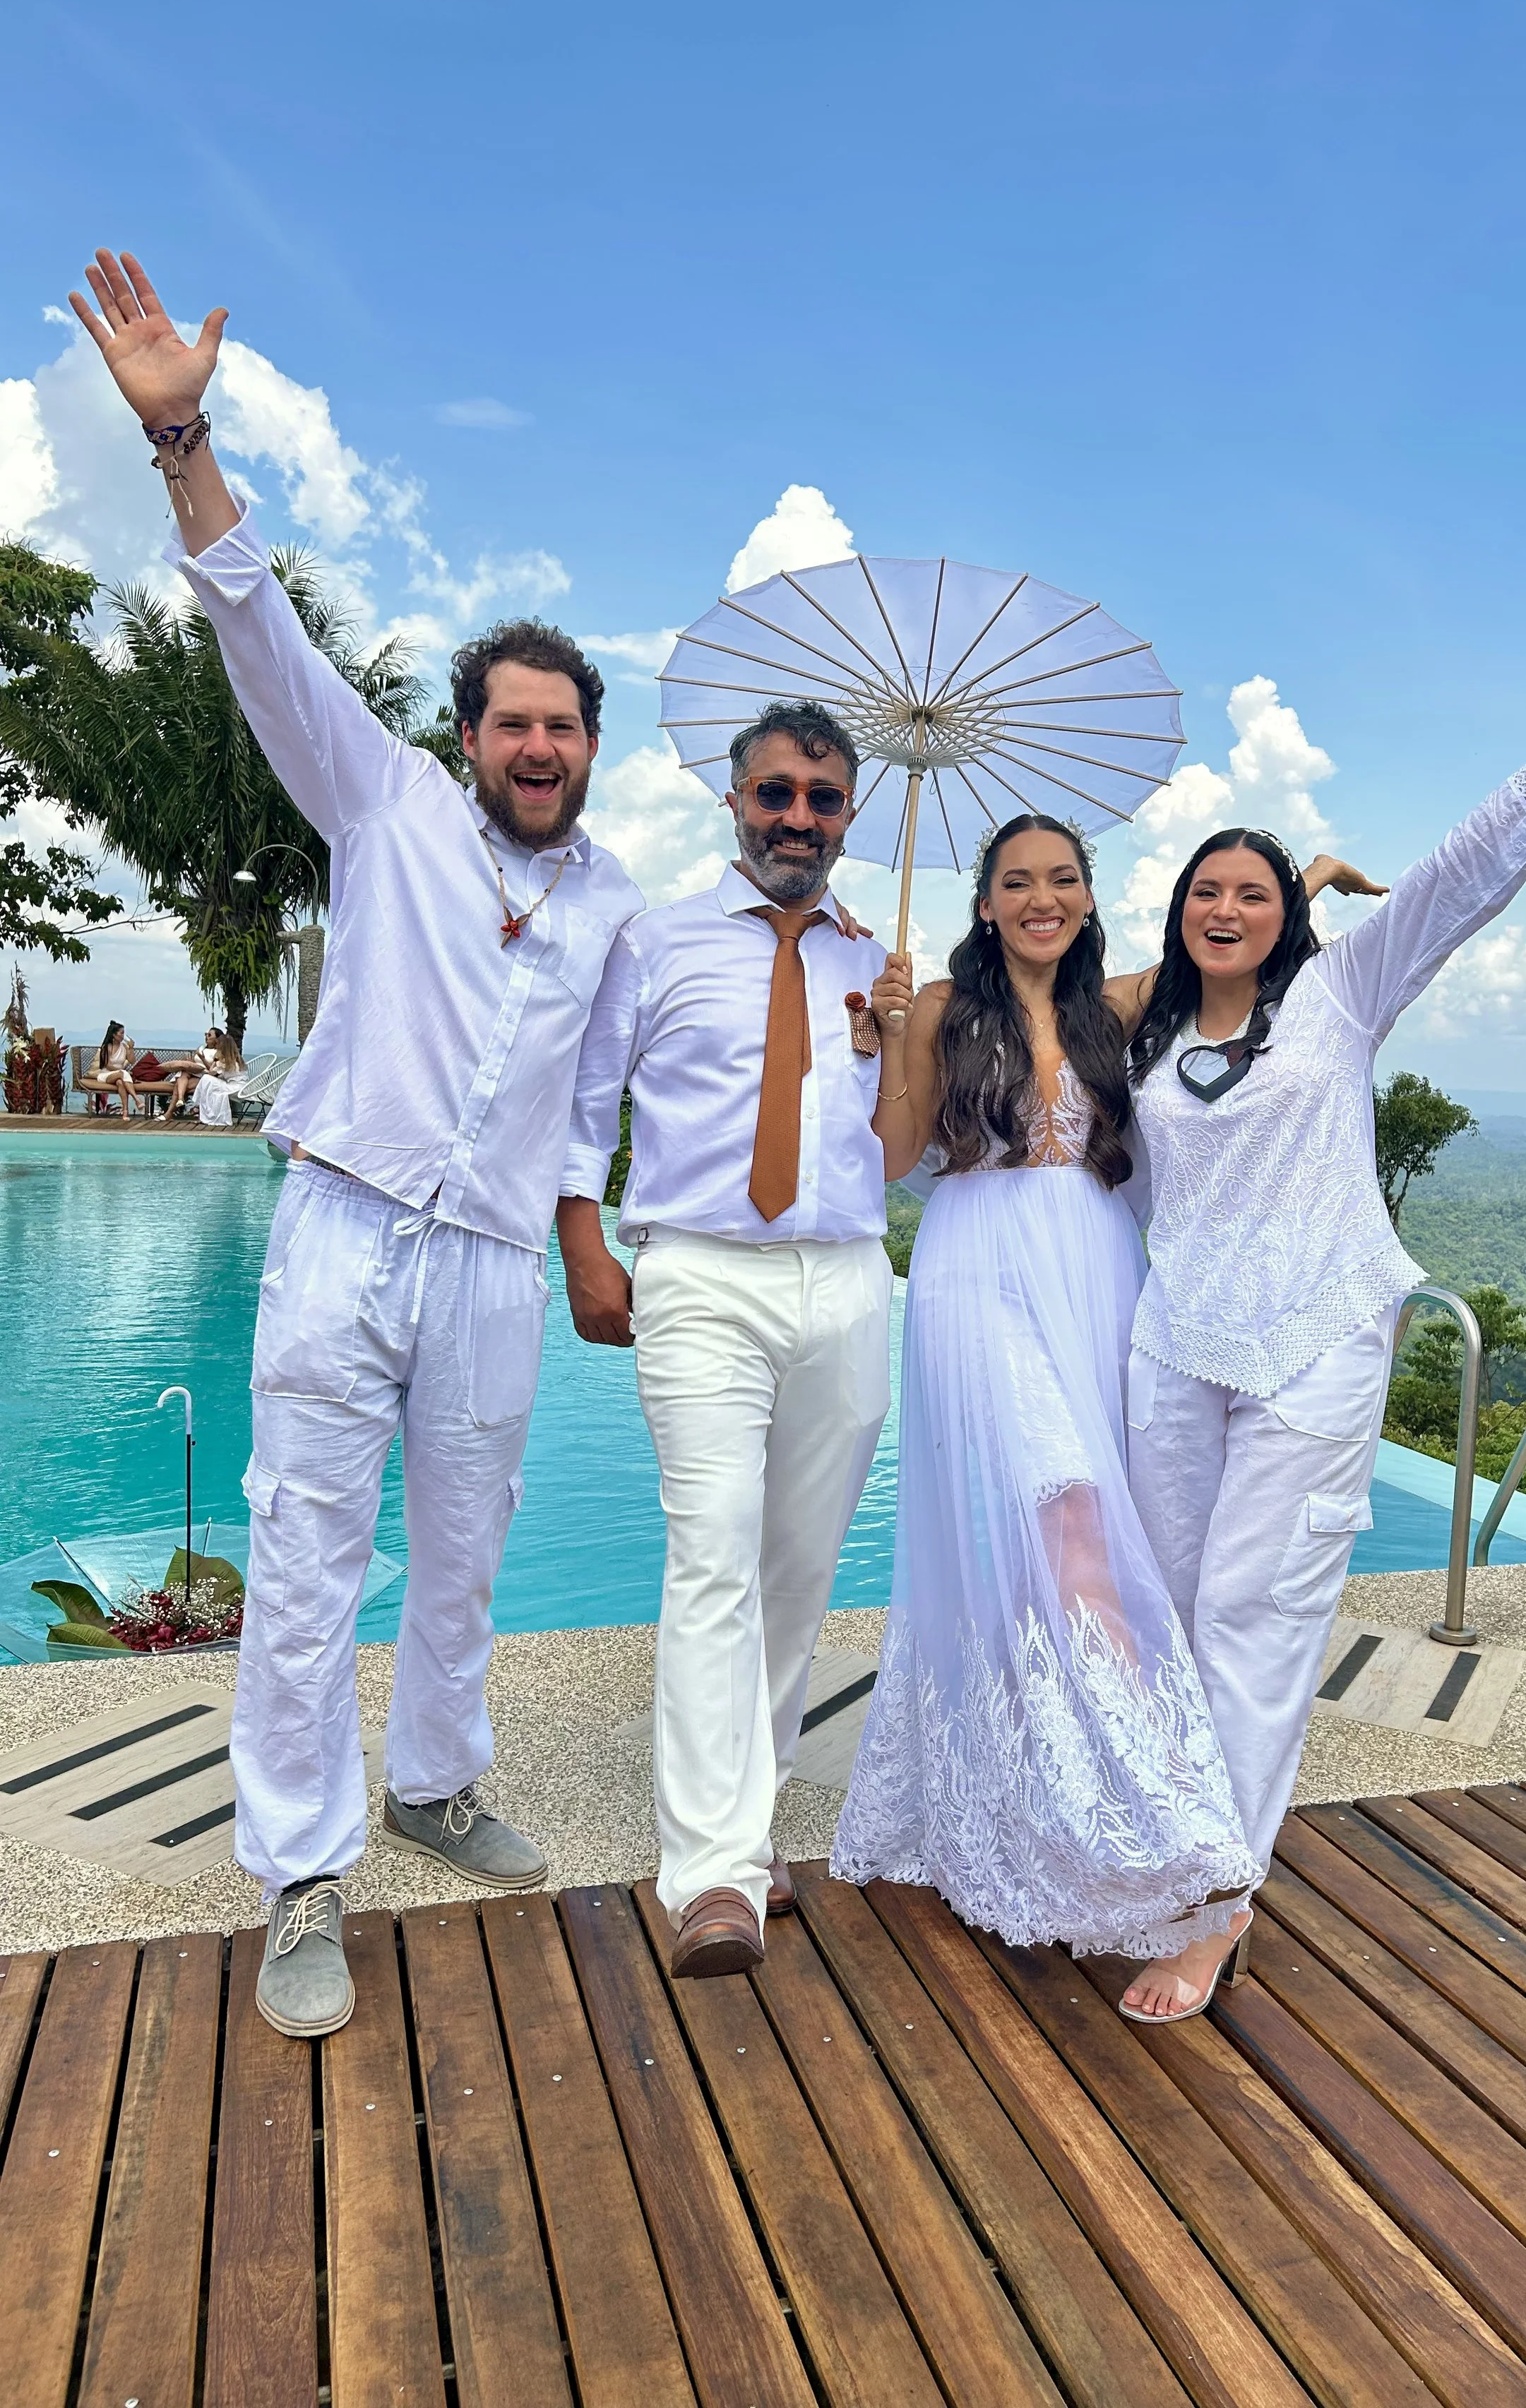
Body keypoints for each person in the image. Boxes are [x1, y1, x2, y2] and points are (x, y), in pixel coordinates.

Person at [71, 246, 648, 2040]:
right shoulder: (379, 799)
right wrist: (186, 445)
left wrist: (590, 1238)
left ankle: (434, 1783)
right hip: (342, 1225)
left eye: (564, 728)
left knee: (465, 1548)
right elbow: (258, 627)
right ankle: (301, 1870)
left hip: (488, 1260)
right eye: (514, 723)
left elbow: (603, 1101)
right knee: (308, 1548)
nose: (538, 747)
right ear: (466, 738)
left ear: (589, 751)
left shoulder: (616, 901)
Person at [1109, 671, 1526, 2016]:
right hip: (1176, 1352)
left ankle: (1215, 1906)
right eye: (1209, 891)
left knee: (1255, 1621)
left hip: (1314, 1344)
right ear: (1181, 908)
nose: (1228, 910)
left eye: (1256, 894)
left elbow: (1455, 877)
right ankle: (1170, 1851)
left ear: (1289, 918)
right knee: (1177, 1622)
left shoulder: (1343, 994)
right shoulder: (1140, 1034)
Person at [830, 815, 1259, 2008]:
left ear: (1084, 898)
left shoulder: (1107, 1009)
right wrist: (892, 1038)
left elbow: (1220, 953)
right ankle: (1150, 1803)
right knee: (1060, 1513)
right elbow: (895, 1154)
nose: (1042, 897)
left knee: (1091, 1531)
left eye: (1062, 880)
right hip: (975, 1269)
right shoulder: (934, 1010)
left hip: (1096, 1271)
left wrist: (1309, 876)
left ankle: (1079, 1793)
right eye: (1018, 881)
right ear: (983, 901)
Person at [564, 700, 911, 1978]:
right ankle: (710, 1873)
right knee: (713, 1556)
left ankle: (748, 1835)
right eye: (778, 794)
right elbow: (584, 1103)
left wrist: (901, 1037)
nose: (799, 819)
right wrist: (585, 1244)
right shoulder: (656, 944)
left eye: (823, 800)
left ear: (849, 817)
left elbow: (900, 1153)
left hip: (846, 1278)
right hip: (703, 1271)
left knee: (797, 1568)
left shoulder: (877, 962)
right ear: (735, 801)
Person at [168, 1026, 247, 1122]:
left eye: (218, 1045)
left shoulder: (224, 1061)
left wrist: (214, 1060)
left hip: (235, 1088)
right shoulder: (234, 1058)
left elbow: (211, 1072)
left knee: (206, 1079)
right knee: (204, 1080)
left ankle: (198, 1106)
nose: (216, 1047)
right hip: (240, 1086)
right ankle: (198, 1109)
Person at [88, 1019, 136, 1116]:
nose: (123, 1036)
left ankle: (125, 1111)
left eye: (124, 1033)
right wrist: (121, 1072)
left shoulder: (124, 1047)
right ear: (114, 1035)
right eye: (121, 1033)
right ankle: (136, 1099)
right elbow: (108, 1066)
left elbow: (132, 1061)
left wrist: (131, 1049)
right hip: (106, 1074)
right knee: (122, 1074)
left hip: (120, 1076)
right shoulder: (107, 1047)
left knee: (120, 1082)